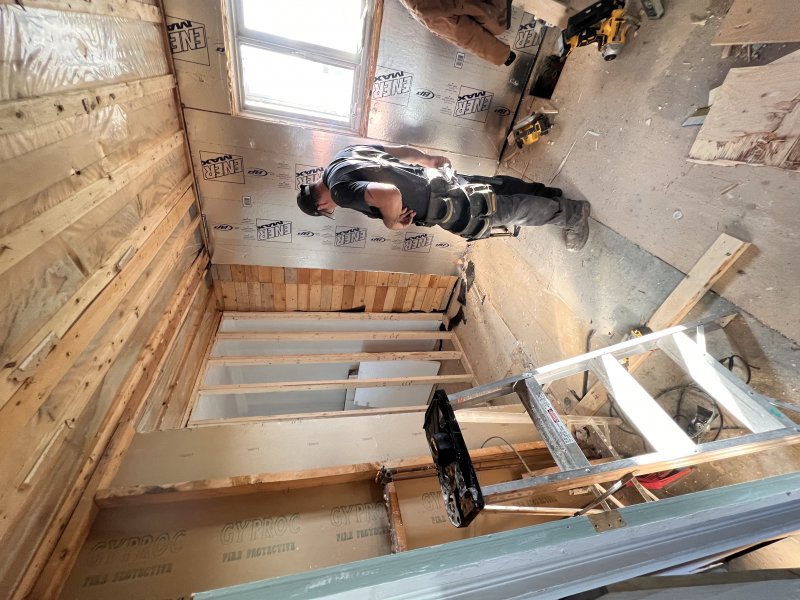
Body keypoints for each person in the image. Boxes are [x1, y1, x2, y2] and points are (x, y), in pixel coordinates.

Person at [296, 144, 591, 251]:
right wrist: (428, 159)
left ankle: (573, 215)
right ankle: (550, 195)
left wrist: (392, 222)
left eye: (327, 210)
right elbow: (396, 150)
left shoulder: (339, 191)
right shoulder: (343, 155)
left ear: (320, 205)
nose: (333, 208)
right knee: (496, 188)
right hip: (434, 179)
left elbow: (389, 195)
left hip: (441, 204)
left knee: (506, 210)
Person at [398, 0, 517, 66]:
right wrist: (500, 54)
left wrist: (501, 55)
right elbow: (461, 31)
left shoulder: (419, 6)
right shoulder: (421, 6)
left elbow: (461, 32)